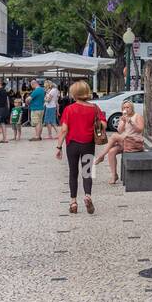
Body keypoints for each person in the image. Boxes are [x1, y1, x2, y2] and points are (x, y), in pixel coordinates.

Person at [56, 81, 104, 215]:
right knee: (87, 171)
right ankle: (88, 196)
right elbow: (103, 124)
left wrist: (59, 147)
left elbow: (64, 130)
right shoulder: (94, 108)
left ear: (74, 93)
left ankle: (73, 202)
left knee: (73, 172)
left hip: (72, 144)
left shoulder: (69, 109)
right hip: (88, 143)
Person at [98, 101, 145, 184]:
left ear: (132, 108)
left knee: (114, 136)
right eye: (124, 108)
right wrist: (123, 122)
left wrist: (130, 121)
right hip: (125, 143)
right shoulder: (123, 118)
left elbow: (140, 129)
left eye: (128, 107)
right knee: (111, 151)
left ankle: (101, 156)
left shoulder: (138, 116)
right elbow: (120, 131)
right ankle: (114, 175)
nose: (126, 109)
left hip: (135, 143)